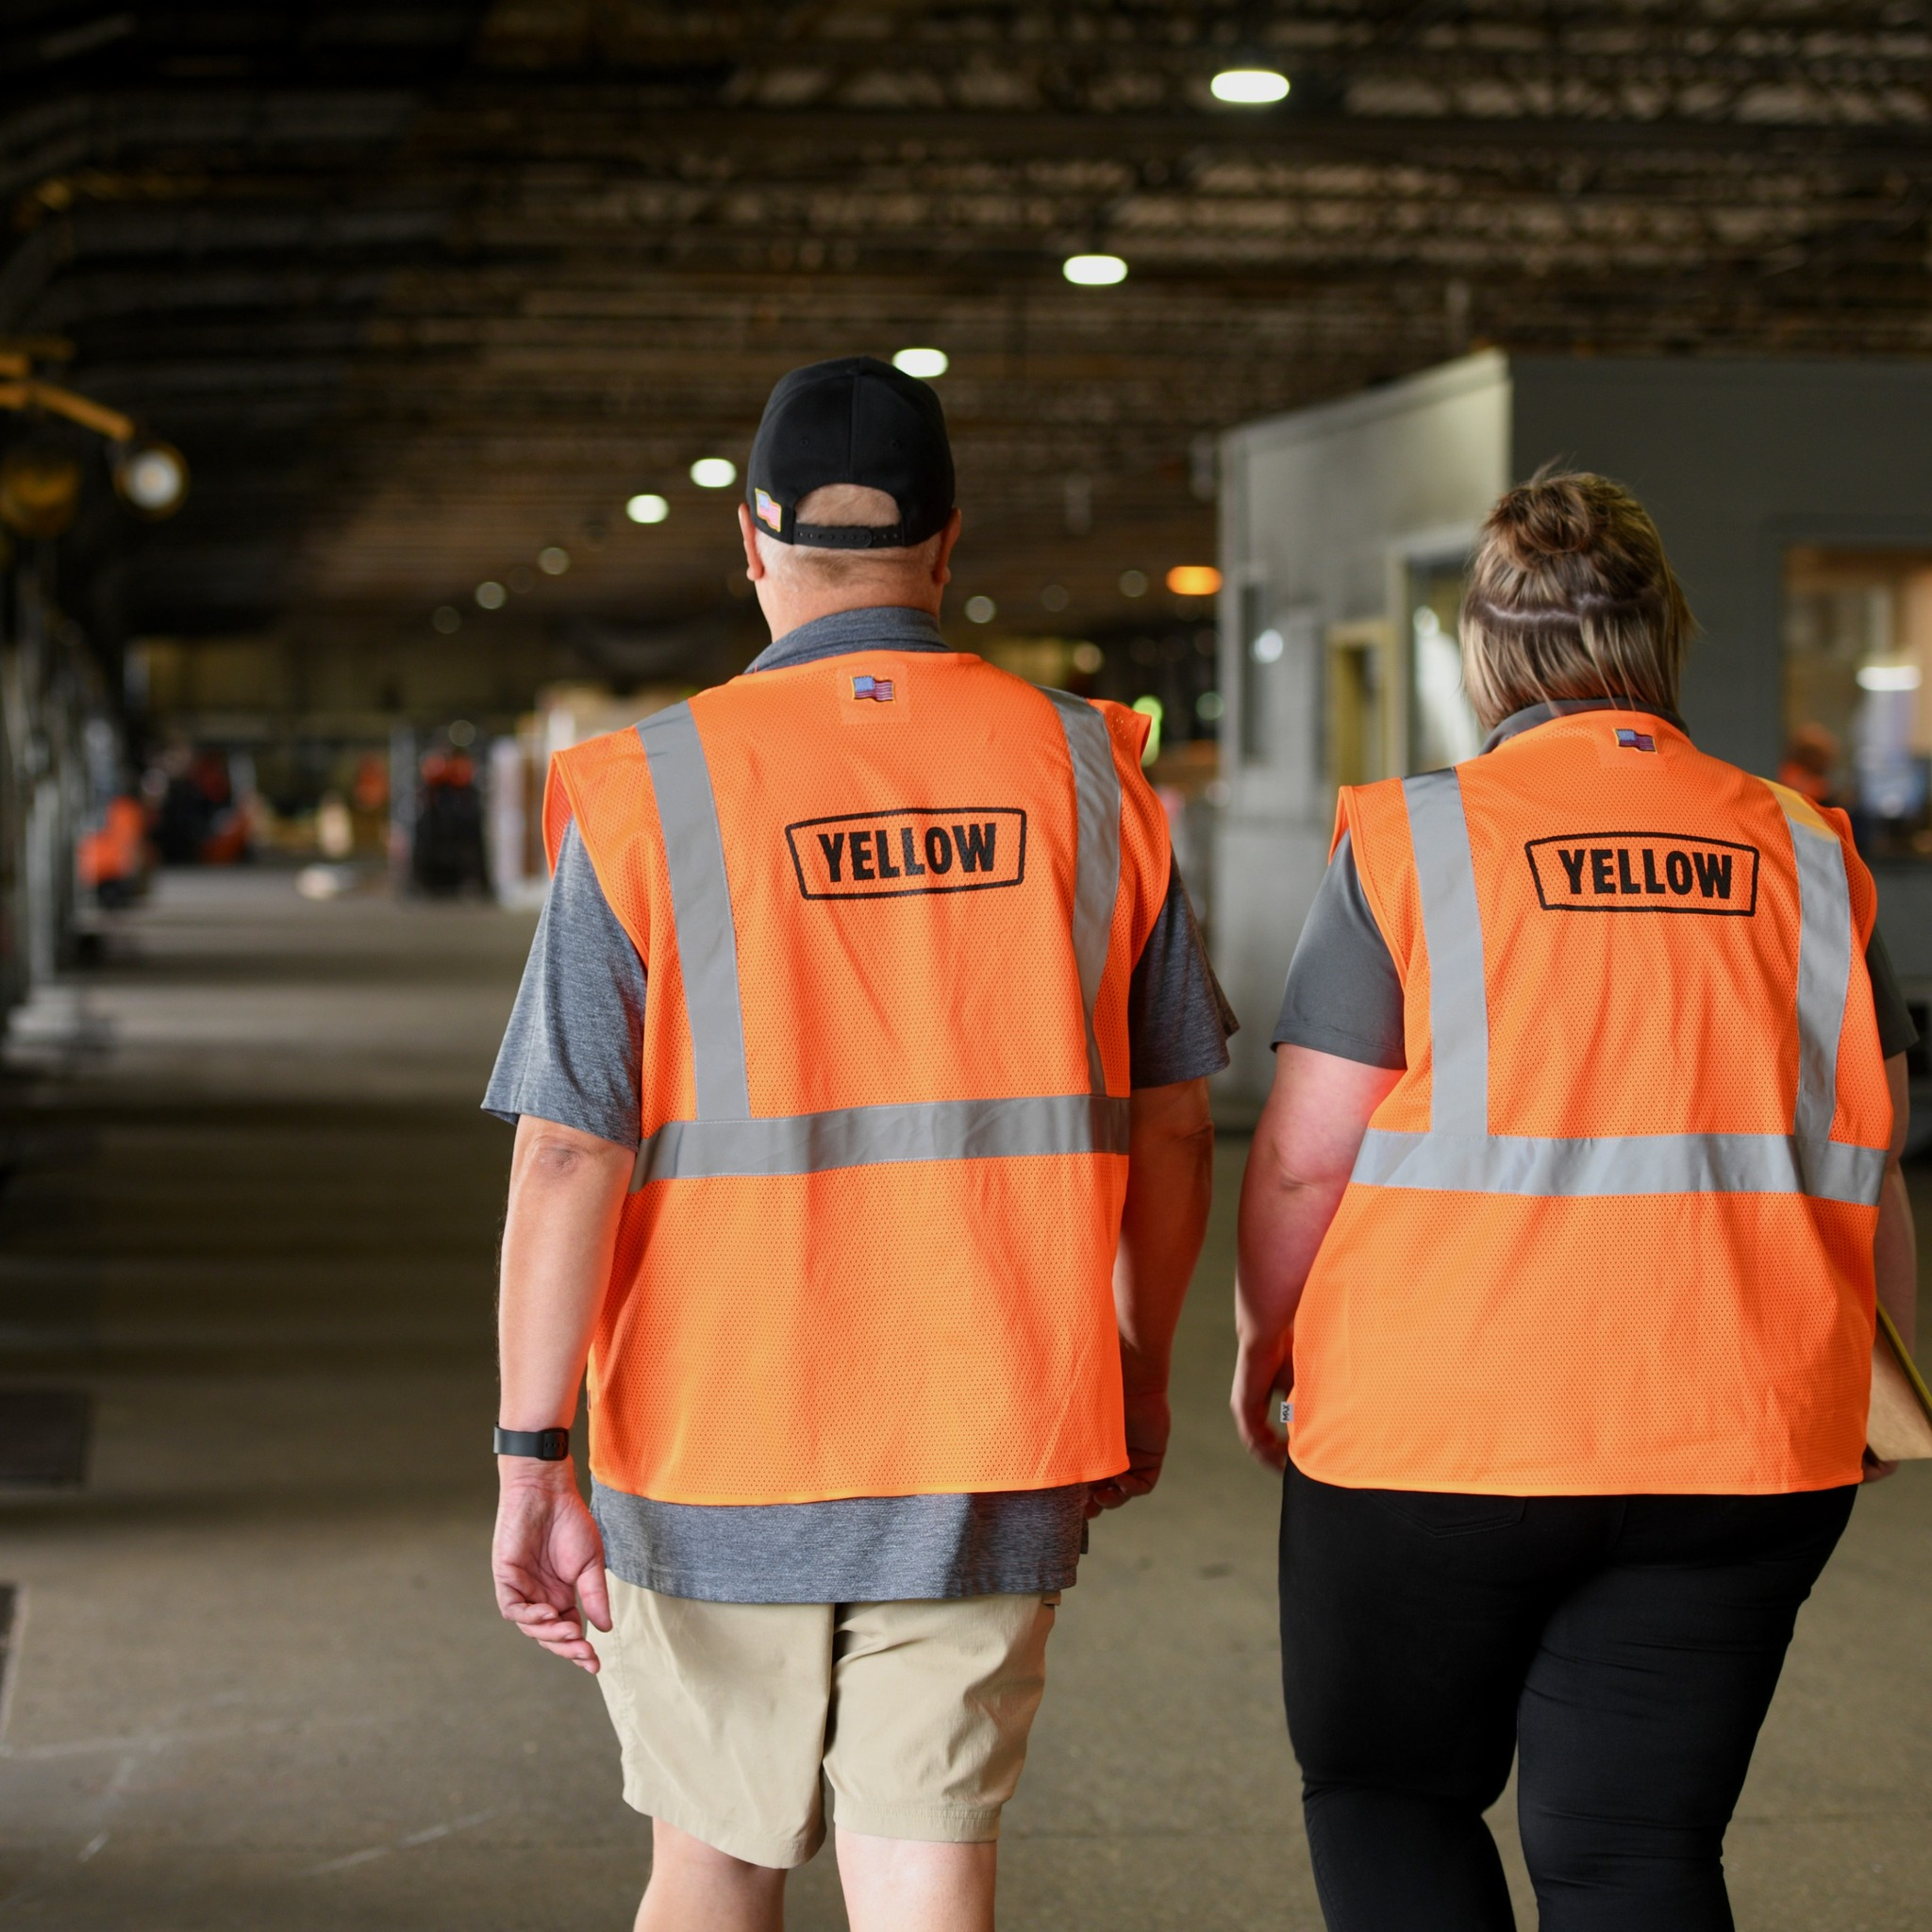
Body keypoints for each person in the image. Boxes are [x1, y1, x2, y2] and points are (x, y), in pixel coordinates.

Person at [485, 356, 1232, 1932]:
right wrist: (1136, 1363)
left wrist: (532, 1453)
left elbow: (567, 1157)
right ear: (948, 547)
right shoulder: (1093, 772)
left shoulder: (650, 790)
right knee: (930, 1867)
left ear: (754, 541)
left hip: (714, 1429)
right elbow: (1173, 1123)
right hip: (992, 1414)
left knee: (714, 1856)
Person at [1233, 469, 1918, 1932]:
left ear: (1484, 654)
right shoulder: (1809, 853)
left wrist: (1264, 1340)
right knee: (1637, 1850)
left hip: (1440, 1437)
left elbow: (1305, 1156)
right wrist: (1860, 1389)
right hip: (1742, 1434)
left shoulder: (1417, 840)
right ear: (1668, 636)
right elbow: (1870, 1169)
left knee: (1392, 1795)